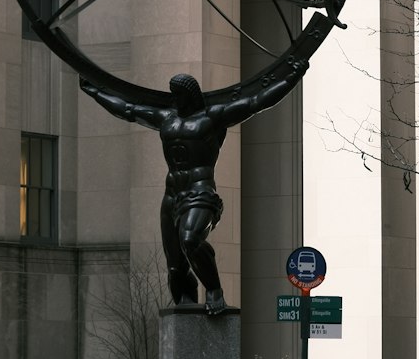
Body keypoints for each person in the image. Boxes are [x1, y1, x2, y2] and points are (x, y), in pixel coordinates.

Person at [81, 64, 307, 315]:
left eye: (178, 94)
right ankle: (186, 312)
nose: (174, 99)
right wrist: (93, 91)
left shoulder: (212, 117)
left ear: (190, 95)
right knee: (175, 267)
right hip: (172, 196)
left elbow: (256, 102)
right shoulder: (167, 119)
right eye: (172, 94)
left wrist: (292, 77)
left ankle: (215, 290)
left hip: (200, 194)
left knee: (191, 239)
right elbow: (128, 110)